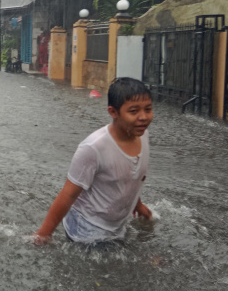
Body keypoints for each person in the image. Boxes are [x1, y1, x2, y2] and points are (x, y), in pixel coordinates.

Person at [33, 77, 154, 245]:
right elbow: (68, 195)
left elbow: (130, 177)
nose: (143, 117)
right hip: (86, 228)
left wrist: (138, 205)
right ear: (113, 112)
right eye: (133, 111)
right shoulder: (93, 148)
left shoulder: (143, 135)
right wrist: (43, 234)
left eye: (148, 109)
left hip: (117, 225)